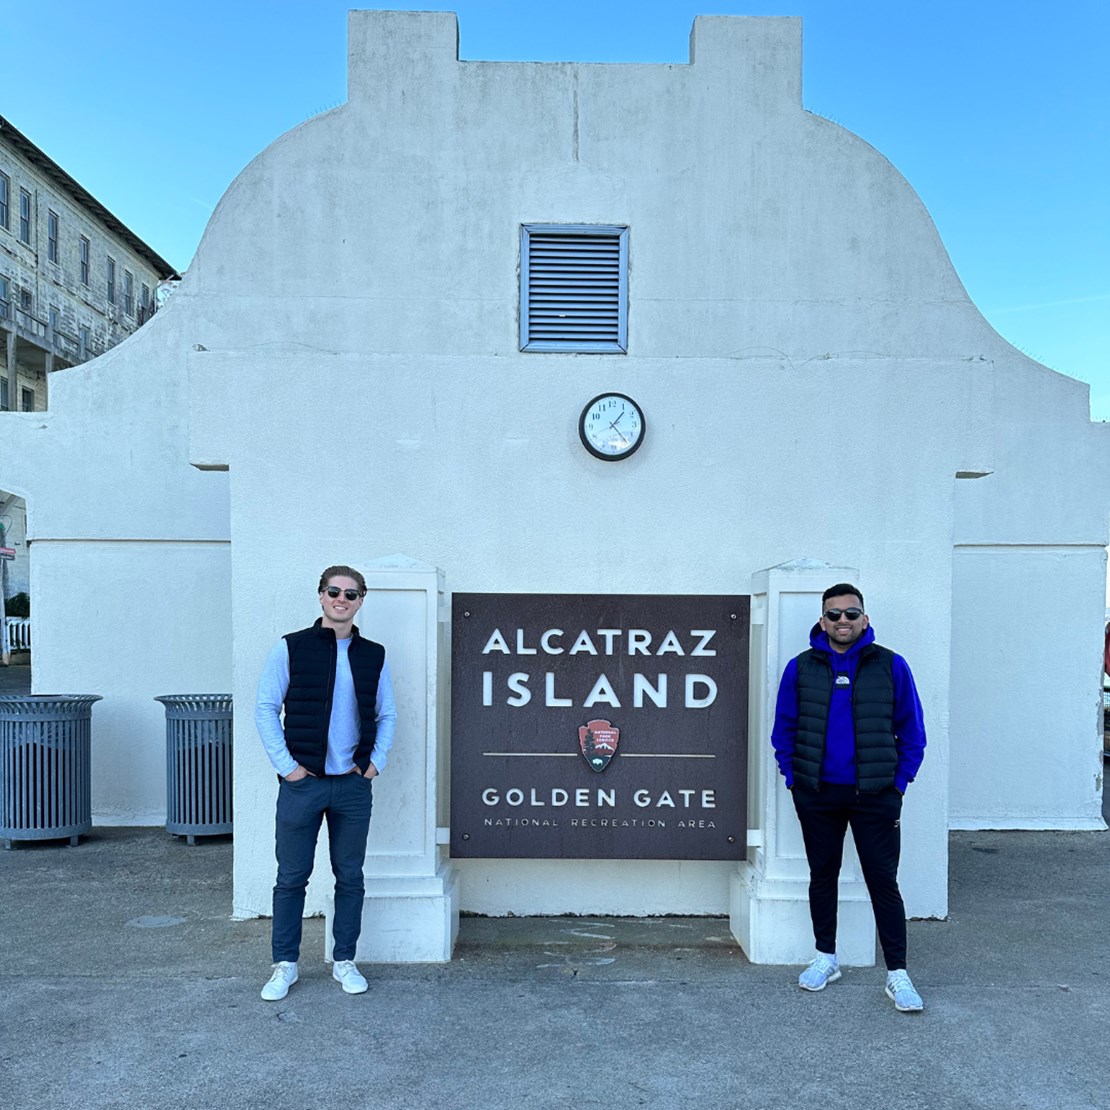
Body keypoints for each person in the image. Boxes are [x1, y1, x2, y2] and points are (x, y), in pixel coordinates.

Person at [771, 583, 926, 1013]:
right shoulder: (800, 668)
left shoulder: (891, 666)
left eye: (851, 614)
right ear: (822, 621)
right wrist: (794, 779)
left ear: (865, 619)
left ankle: (898, 973)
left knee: (883, 882)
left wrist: (897, 786)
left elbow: (912, 733)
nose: (843, 621)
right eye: (834, 615)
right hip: (817, 794)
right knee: (823, 875)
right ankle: (826, 956)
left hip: (875, 795)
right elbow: (783, 729)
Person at [254, 565, 397, 1001]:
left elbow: (386, 713)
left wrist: (374, 764)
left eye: (351, 594)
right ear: (320, 596)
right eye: (334, 591)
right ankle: (285, 964)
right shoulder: (290, 648)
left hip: (352, 785)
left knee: (350, 876)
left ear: (360, 601)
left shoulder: (373, 654)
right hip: (303, 784)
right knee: (291, 876)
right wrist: (288, 768)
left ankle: (345, 960)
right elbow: (264, 708)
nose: (342, 599)